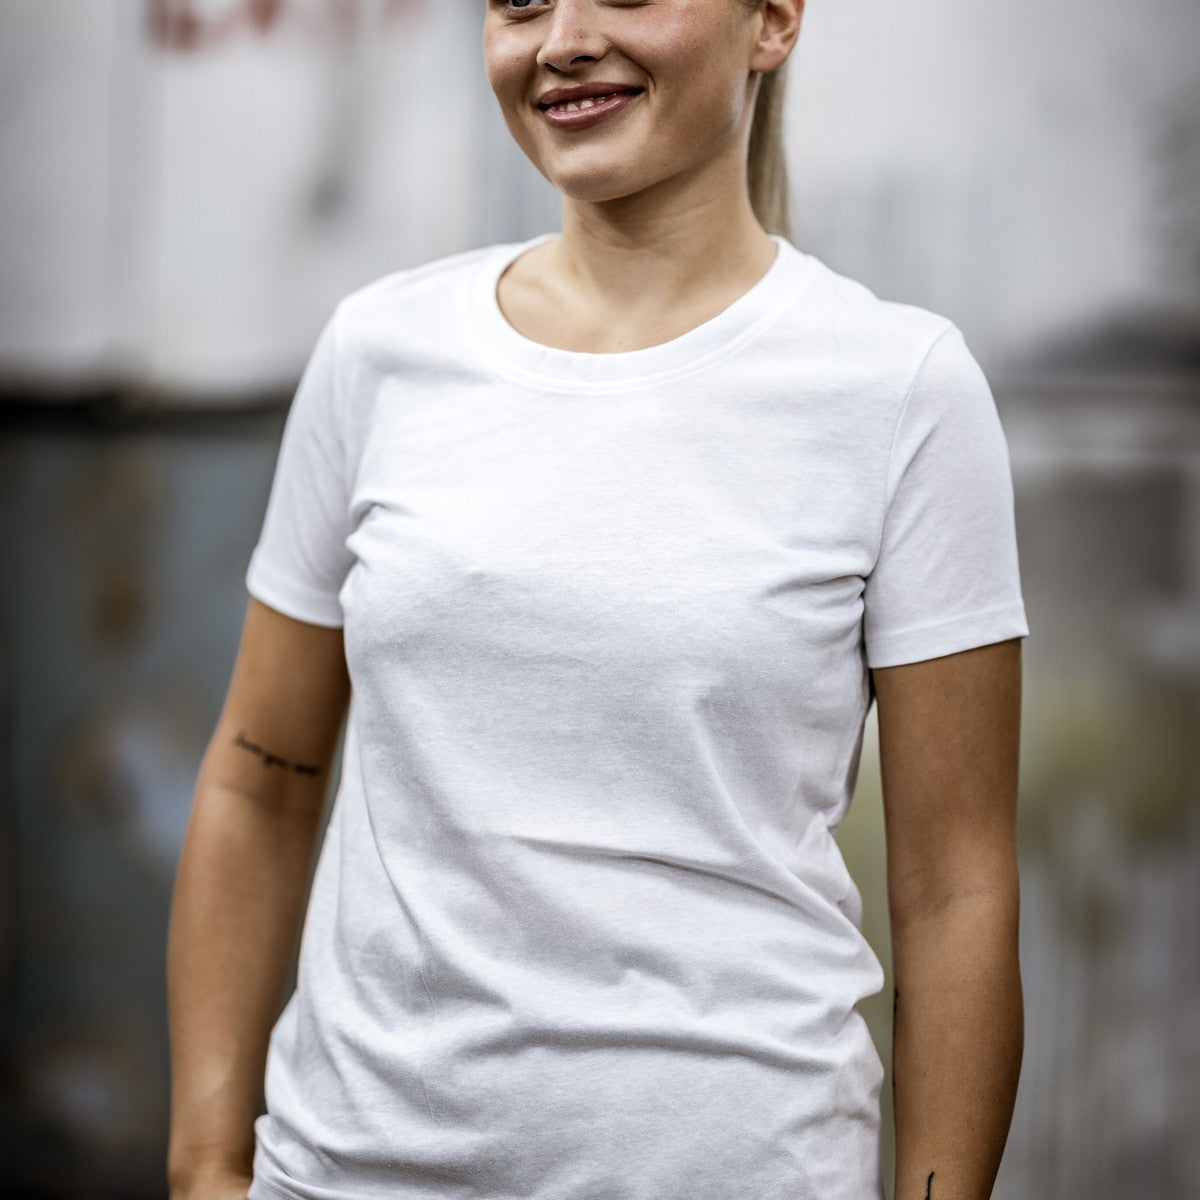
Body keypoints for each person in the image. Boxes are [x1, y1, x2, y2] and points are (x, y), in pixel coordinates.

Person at [166, 2, 1028, 1198]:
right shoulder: (381, 351)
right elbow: (261, 781)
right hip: (349, 1169)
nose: (563, 40)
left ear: (774, 20)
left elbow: (955, 890)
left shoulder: (900, 389)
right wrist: (205, 1163)